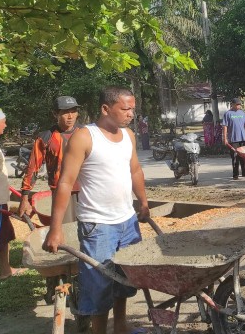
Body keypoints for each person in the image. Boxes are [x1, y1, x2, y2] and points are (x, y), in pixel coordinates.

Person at [43, 87, 150, 334]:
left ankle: (120, 326)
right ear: (105, 108)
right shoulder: (85, 137)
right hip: (97, 226)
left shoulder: (129, 136)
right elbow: (66, 182)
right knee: (98, 284)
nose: (131, 114)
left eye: (132, 108)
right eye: (125, 109)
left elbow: (135, 170)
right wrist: (55, 229)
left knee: (125, 279)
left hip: (127, 221)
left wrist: (143, 203)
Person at [19, 96, 82, 218]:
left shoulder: (86, 133)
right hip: (62, 191)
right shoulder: (46, 137)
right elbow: (33, 167)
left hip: (88, 189)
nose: (70, 116)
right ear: (55, 114)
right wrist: (25, 197)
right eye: (65, 112)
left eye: (73, 111)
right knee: (66, 230)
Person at [0, 109, 27, 280]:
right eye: (3, 122)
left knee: (4, 233)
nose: (6, 125)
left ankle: (5, 270)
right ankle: (5, 271)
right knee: (0, 234)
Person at [222, 98, 245, 179]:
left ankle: (244, 173)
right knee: (235, 157)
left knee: (244, 157)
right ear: (232, 104)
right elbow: (225, 126)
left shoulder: (242, 113)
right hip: (233, 140)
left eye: (239, 104)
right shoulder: (227, 114)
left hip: (243, 139)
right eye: (237, 104)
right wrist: (225, 138)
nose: (239, 106)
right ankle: (235, 174)